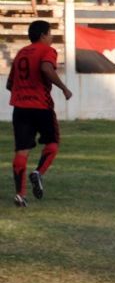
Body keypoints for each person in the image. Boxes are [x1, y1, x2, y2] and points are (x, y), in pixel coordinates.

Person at [7, 20, 73, 207]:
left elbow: (10, 84)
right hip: (41, 106)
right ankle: (38, 173)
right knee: (52, 144)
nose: (51, 37)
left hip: (20, 108)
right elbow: (45, 67)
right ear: (43, 35)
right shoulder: (47, 50)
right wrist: (63, 88)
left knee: (22, 151)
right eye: (50, 33)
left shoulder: (21, 53)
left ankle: (20, 195)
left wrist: (23, 92)